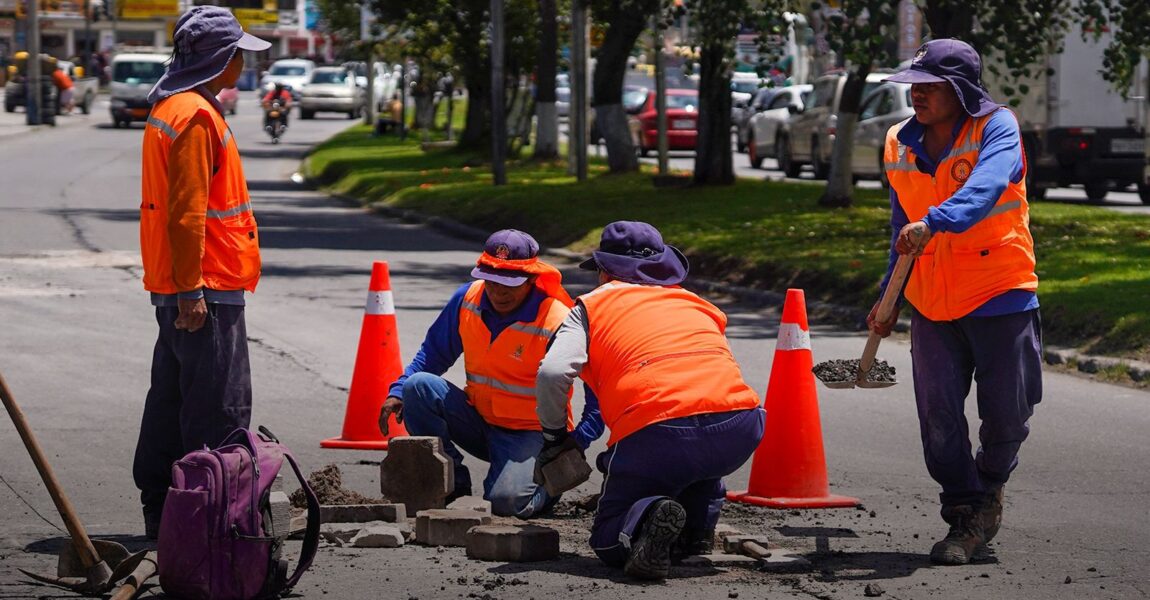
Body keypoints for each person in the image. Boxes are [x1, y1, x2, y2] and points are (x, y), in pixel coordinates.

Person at [872, 38, 1042, 566]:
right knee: (939, 421)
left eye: (928, 87)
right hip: (931, 301)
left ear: (961, 91)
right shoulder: (898, 140)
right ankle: (967, 509)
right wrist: (889, 295)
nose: (915, 95)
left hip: (1000, 292)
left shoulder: (997, 127)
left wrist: (937, 220)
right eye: (913, 86)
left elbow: (987, 187)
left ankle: (990, 485)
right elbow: (902, 226)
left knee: (1007, 413)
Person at [535, 221, 765, 580]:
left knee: (608, 539)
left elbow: (552, 372)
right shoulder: (697, 303)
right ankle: (697, 529)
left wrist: (553, 437)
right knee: (699, 456)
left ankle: (648, 514)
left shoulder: (590, 306)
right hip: (740, 425)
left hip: (659, 431)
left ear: (604, 272)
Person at [132, 6, 271, 540]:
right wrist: (193, 290)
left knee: (169, 400)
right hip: (204, 288)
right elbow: (188, 212)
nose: (242, 63)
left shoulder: (175, 107)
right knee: (218, 406)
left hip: (183, 285)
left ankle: (163, 510)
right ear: (219, 59)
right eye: (238, 54)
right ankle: (213, 515)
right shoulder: (195, 116)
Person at [378, 229, 604, 519]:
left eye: (510, 283)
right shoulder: (467, 299)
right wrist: (397, 391)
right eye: (492, 280)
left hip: (529, 434)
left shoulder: (558, 318)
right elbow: (432, 355)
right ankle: (453, 488)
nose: (499, 291)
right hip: (478, 420)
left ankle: (548, 482)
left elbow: (597, 389)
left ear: (532, 279)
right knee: (417, 386)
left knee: (506, 505)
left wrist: (578, 441)